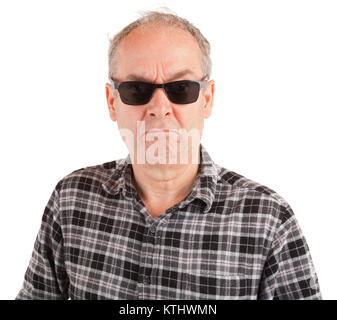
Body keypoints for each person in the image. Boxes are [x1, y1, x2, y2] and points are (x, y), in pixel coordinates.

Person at [16, 10, 321, 300]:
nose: (159, 108)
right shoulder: (71, 200)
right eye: (136, 89)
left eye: (181, 88)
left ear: (207, 99)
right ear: (112, 102)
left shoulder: (268, 219)